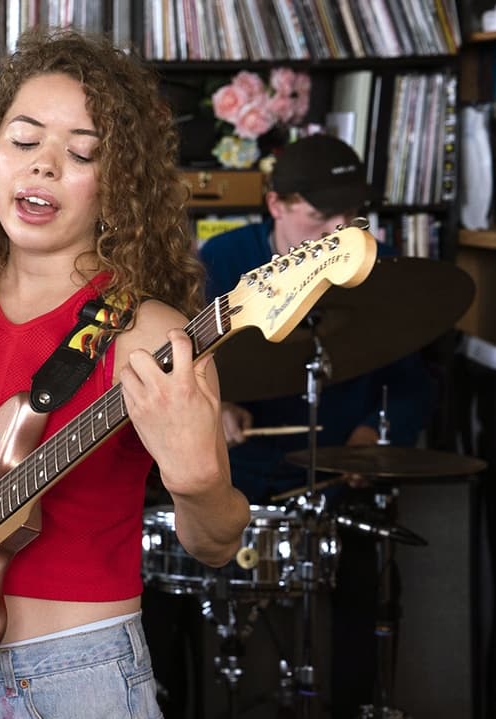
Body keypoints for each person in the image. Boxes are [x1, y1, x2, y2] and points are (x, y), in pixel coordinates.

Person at [0, 30, 250, 718]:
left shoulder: (150, 335)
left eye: (82, 152)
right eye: (24, 141)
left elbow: (217, 543)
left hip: (75, 677)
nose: (45, 167)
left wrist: (199, 482)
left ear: (118, 182)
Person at [196, 133, 431, 717]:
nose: (339, 229)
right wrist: (211, 406)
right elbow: (178, 360)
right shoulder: (222, 261)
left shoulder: (375, 263)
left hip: (337, 478)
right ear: (275, 203)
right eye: (321, 215)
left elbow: (413, 382)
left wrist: (377, 436)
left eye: (352, 215)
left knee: (364, 592)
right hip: (242, 478)